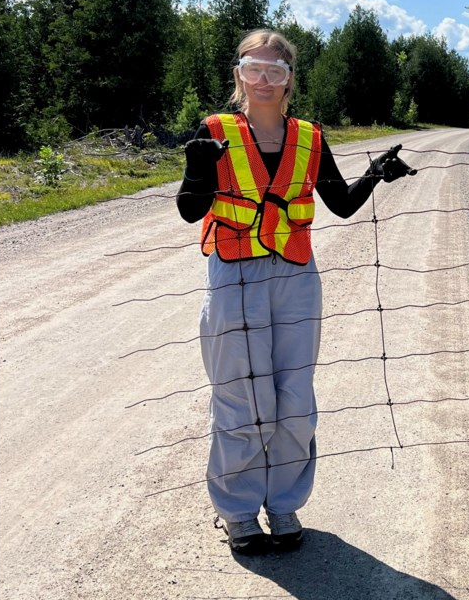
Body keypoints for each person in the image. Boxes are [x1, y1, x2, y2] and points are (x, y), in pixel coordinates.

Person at [176, 29, 416, 553]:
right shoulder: (214, 130)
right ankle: (237, 511)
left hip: (296, 278)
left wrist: (375, 173)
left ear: (289, 78)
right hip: (234, 271)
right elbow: (191, 210)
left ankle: (283, 504)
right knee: (240, 397)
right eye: (253, 68)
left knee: (294, 399)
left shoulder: (308, 136)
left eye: (275, 70)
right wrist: (196, 171)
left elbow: (341, 204)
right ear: (238, 74)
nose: (264, 80)